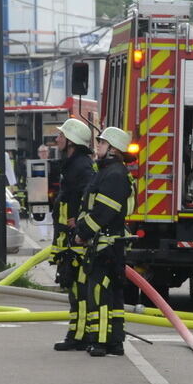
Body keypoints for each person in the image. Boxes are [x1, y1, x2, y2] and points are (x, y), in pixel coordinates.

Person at [72, 126, 135, 357]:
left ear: (113, 148)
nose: (97, 145)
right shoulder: (107, 171)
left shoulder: (115, 174)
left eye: (101, 142)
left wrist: (83, 233)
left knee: (100, 293)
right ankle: (114, 342)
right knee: (110, 294)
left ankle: (101, 342)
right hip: (105, 243)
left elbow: (104, 212)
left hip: (106, 244)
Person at [50, 118, 97, 351]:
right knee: (74, 288)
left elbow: (89, 196)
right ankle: (78, 333)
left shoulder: (81, 166)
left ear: (71, 141)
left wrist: (78, 220)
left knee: (78, 288)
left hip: (77, 240)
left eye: (61, 135)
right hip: (70, 238)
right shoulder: (72, 164)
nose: (57, 138)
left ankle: (79, 336)